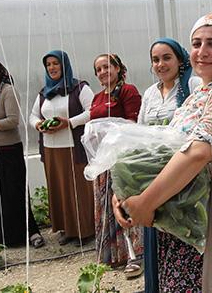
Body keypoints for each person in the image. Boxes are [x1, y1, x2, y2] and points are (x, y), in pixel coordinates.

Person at [113, 14, 212, 292]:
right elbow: (162, 150)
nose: (202, 51)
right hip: (183, 224)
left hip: (211, 225)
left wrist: (144, 202)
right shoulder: (198, 95)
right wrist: (123, 190)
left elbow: (197, 152)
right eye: (196, 43)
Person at [137, 37, 202, 292]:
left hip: (184, 173)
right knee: (158, 228)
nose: (161, 64)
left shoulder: (193, 84)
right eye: (156, 59)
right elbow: (141, 132)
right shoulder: (150, 93)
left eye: (167, 58)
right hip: (154, 171)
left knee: (182, 231)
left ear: (179, 59)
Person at [0, 56, 44, 248]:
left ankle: (20, 233)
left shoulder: (8, 91)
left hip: (7, 152)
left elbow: (13, 121)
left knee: (11, 193)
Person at [29, 49, 95, 246]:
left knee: (78, 189)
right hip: (51, 149)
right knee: (59, 189)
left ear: (64, 65)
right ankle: (67, 229)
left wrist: (70, 122)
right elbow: (33, 115)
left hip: (74, 148)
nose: (52, 68)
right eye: (48, 65)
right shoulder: (44, 93)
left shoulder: (79, 88)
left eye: (55, 63)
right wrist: (38, 125)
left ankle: (85, 230)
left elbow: (93, 111)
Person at [88, 53, 143, 276]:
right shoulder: (97, 97)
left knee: (124, 204)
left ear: (118, 68)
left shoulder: (128, 91)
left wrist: (110, 132)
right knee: (106, 208)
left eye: (107, 66)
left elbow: (134, 124)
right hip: (104, 159)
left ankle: (135, 255)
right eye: (98, 69)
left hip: (122, 159)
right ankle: (114, 255)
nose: (103, 72)